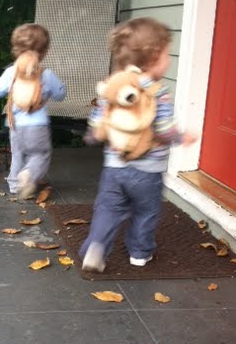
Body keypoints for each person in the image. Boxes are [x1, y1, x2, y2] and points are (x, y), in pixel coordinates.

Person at [79, 17, 197, 272]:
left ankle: (95, 246)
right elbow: (164, 131)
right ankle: (140, 253)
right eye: (167, 54)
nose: (169, 59)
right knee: (146, 212)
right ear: (153, 57)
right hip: (148, 172)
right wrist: (182, 137)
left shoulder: (113, 87)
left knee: (108, 209)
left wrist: (93, 136)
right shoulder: (158, 92)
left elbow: (98, 123)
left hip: (115, 168)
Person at [0, 23, 66, 198]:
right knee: (41, 154)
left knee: (17, 155)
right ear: (44, 52)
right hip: (37, 126)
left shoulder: (11, 72)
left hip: (15, 125)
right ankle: (29, 174)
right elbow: (60, 95)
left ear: (16, 49)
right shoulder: (46, 74)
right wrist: (58, 88)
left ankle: (15, 185)